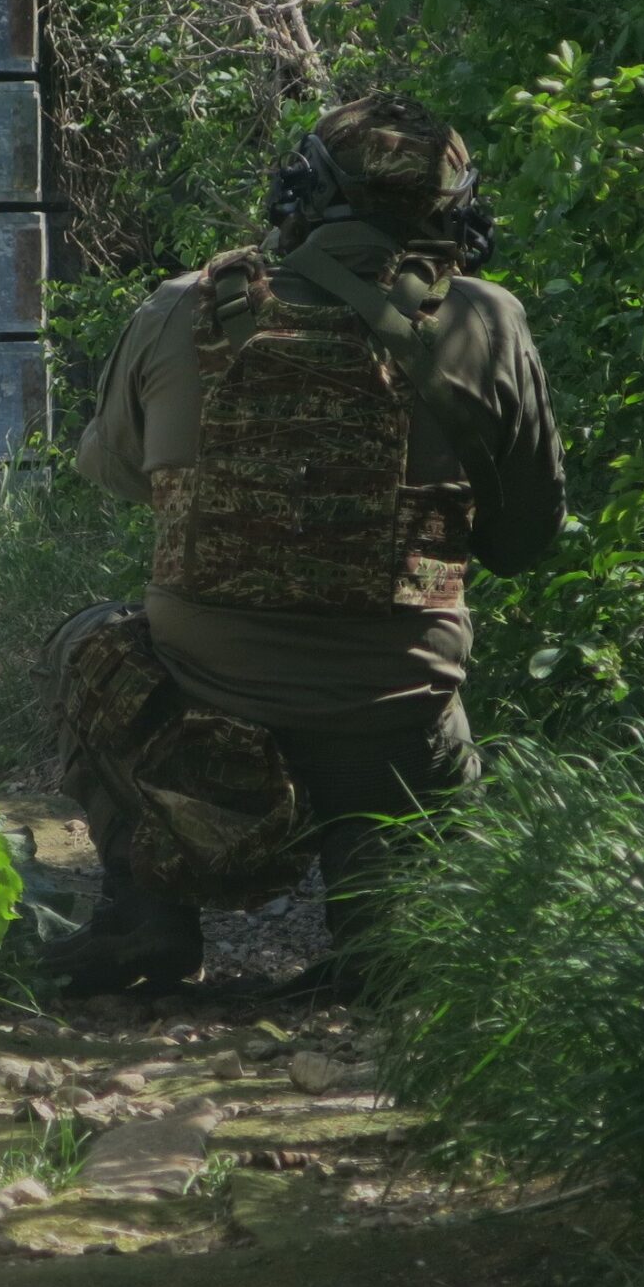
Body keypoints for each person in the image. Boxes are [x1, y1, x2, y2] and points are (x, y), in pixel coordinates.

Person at [40, 92, 566, 993]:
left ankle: (144, 915)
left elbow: (123, 474)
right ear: (453, 208)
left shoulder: (182, 306)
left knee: (86, 641)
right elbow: (524, 539)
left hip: (202, 720)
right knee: (415, 764)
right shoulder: (488, 322)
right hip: (393, 728)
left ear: (302, 193)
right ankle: (377, 922)